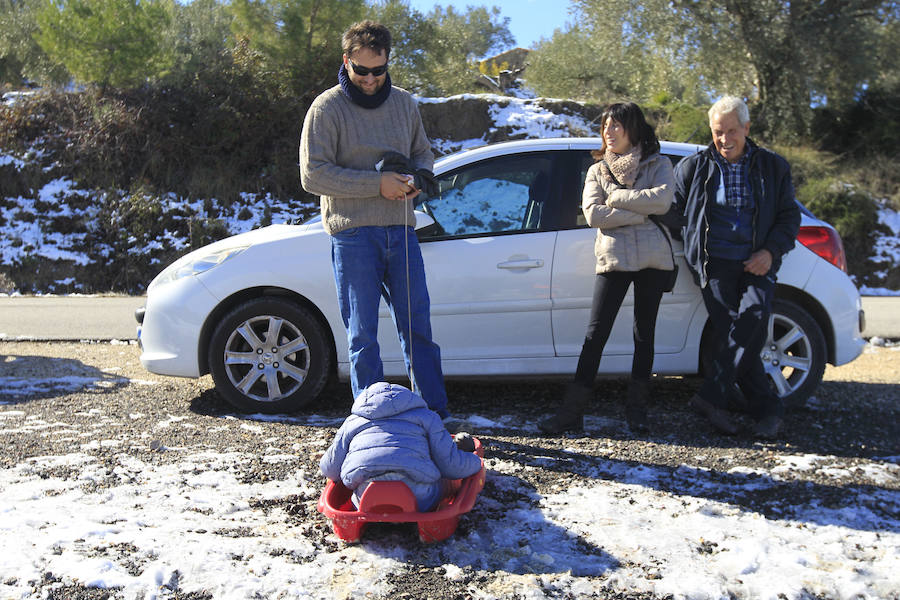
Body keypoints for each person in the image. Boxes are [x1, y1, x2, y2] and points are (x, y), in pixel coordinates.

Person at [299, 21, 451, 419]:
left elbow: (424, 154)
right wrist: (376, 184)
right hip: (352, 234)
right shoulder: (326, 107)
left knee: (418, 329)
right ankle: (370, 421)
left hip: (402, 230)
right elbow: (312, 174)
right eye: (361, 70)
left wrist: (418, 179)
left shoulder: (404, 103)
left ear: (387, 62)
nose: (369, 79)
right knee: (362, 335)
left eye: (378, 71)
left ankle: (433, 418)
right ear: (346, 61)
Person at [539, 102, 676, 435]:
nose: (608, 132)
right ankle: (572, 412)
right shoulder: (597, 171)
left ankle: (637, 411)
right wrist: (639, 209)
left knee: (645, 335)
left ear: (634, 129)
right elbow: (594, 216)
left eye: (616, 126)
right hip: (614, 257)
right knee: (595, 334)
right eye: (605, 127)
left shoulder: (659, 163)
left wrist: (616, 198)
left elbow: (662, 201)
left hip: (652, 258)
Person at [673, 96, 801, 439]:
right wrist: (691, 246)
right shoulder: (693, 167)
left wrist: (770, 253)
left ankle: (711, 398)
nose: (725, 139)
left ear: (746, 128)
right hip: (714, 266)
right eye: (718, 132)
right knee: (738, 332)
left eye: (732, 131)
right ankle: (767, 411)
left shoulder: (773, 167)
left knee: (752, 320)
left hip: (757, 262)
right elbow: (674, 213)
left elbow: (790, 217)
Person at [319, 382, 483, 512]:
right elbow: (451, 466)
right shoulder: (427, 417)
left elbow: (330, 469)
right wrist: (475, 461)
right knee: (443, 474)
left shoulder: (352, 422)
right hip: (420, 497)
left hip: (365, 495)